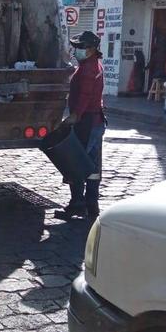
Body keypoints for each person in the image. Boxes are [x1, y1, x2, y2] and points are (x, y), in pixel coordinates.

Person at [60, 31, 105, 219]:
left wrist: (75, 116)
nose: (75, 50)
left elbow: (85, 95)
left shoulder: (88, 69)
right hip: (95, 121)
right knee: (93, 166)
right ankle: (91, 205)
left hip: (86, 122)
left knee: (76, 162)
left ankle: (77, 203)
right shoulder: (92, 64)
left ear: (91, 49)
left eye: (80, 47)